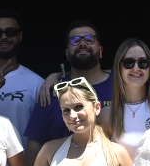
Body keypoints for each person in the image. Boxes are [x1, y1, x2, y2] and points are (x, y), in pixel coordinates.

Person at [24, 20, 114, 152]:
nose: (83, 44)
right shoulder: (52, 89)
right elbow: (35, 142)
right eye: (75, 40)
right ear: (66, 53)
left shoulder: (121, 85)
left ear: (100, 51)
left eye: (89, 39)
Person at [0, 10, 44, 142]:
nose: (3, 37)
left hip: (20, 161)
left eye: (10, 32)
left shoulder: (37, 82)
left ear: (20, 36)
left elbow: (40, 133)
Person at [101, 37, 150, 161]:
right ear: (118, 67)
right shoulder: (107, 114)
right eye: (129, 63)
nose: (136, 68)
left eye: (143, 63)